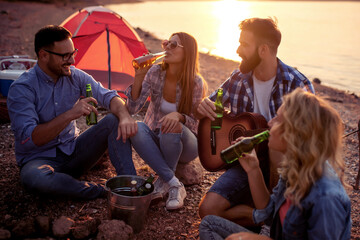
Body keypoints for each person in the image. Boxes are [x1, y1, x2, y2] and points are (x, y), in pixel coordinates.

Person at [196, 17, 315, 228]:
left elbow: (312, 139)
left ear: (263, 50)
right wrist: (202, 107)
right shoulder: (239, 78)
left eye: (244, 44)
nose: (237, 50)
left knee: (278, 146)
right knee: (207, 210)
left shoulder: (297, 84)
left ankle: (273, 211)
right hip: (246, 162)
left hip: (286, 169)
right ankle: (262, 216)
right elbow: (210, 105)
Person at [199, 88, 352, 239]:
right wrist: (253, 169)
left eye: (278, 119)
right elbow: (268, 213)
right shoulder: (296, 167)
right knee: (208, 224)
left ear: (295, 133)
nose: (270, 123)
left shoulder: (326, 198)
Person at [7, 25, 138, 200]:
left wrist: (124, 116)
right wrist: (71, 113)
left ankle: (131, 186)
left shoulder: (75, 75)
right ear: (43, 55)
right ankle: (103, 192)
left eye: (73, 53)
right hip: (39, 160)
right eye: (65, 56)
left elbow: (110, 97)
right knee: (35, 179)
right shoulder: (22, 89)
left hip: (75, 152)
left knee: (115, 119)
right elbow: (32, 138)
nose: (72, 61)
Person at [125, 32, 207, 210]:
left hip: (187, 144)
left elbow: (197, 124)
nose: (167, 48)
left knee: (171, 124)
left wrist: (179, 116)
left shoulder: (195, 82)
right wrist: (139, 76)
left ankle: (163, 181)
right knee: (137, 127)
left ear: (188, 53)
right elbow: (132, 109)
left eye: (173, 45)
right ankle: (172, 183)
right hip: (157, 138)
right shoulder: (155, 71)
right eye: (166, 43)